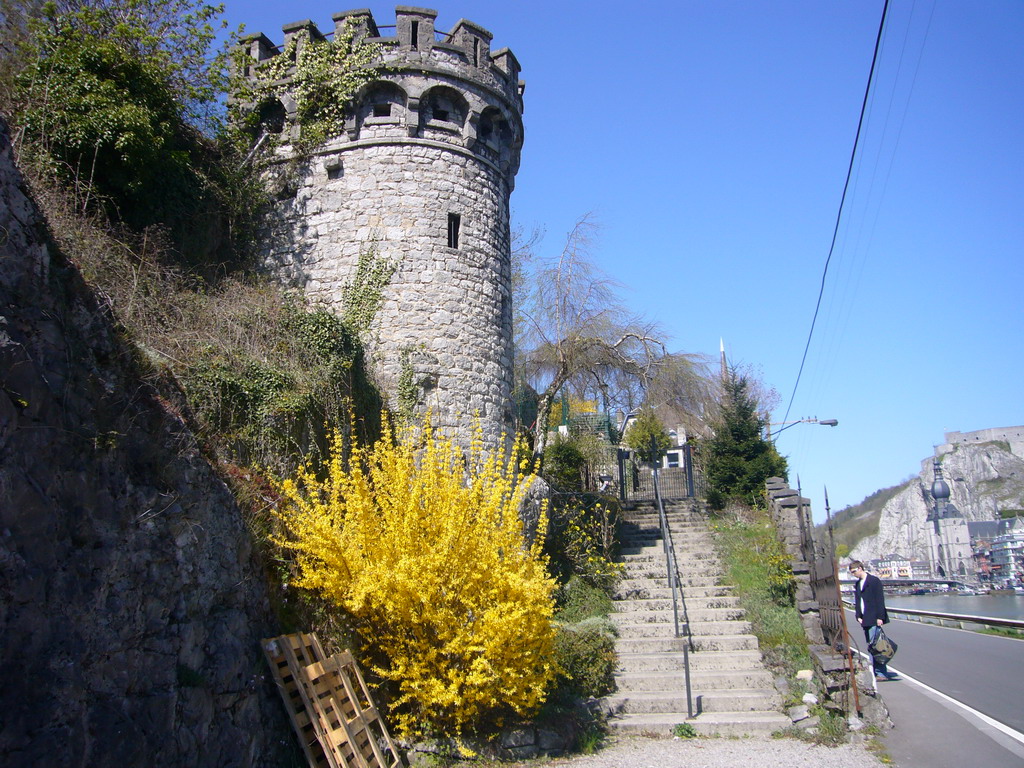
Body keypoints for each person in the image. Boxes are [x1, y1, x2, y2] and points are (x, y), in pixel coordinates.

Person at [849, 560, 899, 681]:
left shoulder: (874, 581)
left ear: (860, 568)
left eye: (854, 571)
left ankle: (881, 673)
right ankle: (877, 672)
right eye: (851, 572)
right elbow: (859, 602)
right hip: (865, 618)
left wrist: (880, 617)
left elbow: (879, 600)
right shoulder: (858, 584)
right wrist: (858, 616)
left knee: (878, 646)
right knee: (872, 646)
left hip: (873, 618)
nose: (853, 574)